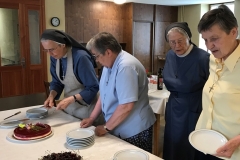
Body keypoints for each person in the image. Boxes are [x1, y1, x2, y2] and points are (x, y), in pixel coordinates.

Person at [80, 32, 156, 152]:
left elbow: (126, 106)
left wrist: (106, 127)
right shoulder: (108, 65)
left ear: (108, 52)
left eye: (96, 56)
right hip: (117, 125)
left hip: (134, 129)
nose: (97, 61)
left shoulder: (126, 66)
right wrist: (92, 118)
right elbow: (103, 95)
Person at [195, 5, 240, 160]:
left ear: (234, 32)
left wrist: (237, 141)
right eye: (205, 40)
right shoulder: (214, 58)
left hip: (233, 152)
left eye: (214, 39)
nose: (208, 46)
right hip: (206, 143)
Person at [162, 22, 210, 160]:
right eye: (172, 42)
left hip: (193, 107)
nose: (176, 46)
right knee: (172, 140)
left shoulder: (203, 58)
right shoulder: (170, 55)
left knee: (190, 143)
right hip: (173, 106)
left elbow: (210, 87)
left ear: (188, 38)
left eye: (180, 41)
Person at [41, 29, 105, 126]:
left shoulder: (81, 57)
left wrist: (72, 99)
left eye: (52, 49)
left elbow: (93, 87)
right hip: (69, 109)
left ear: (62, 45)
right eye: (46, 50)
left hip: (86, 111)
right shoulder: (55, 57)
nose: (49, 53)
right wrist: (51, 96)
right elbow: (57, 81)